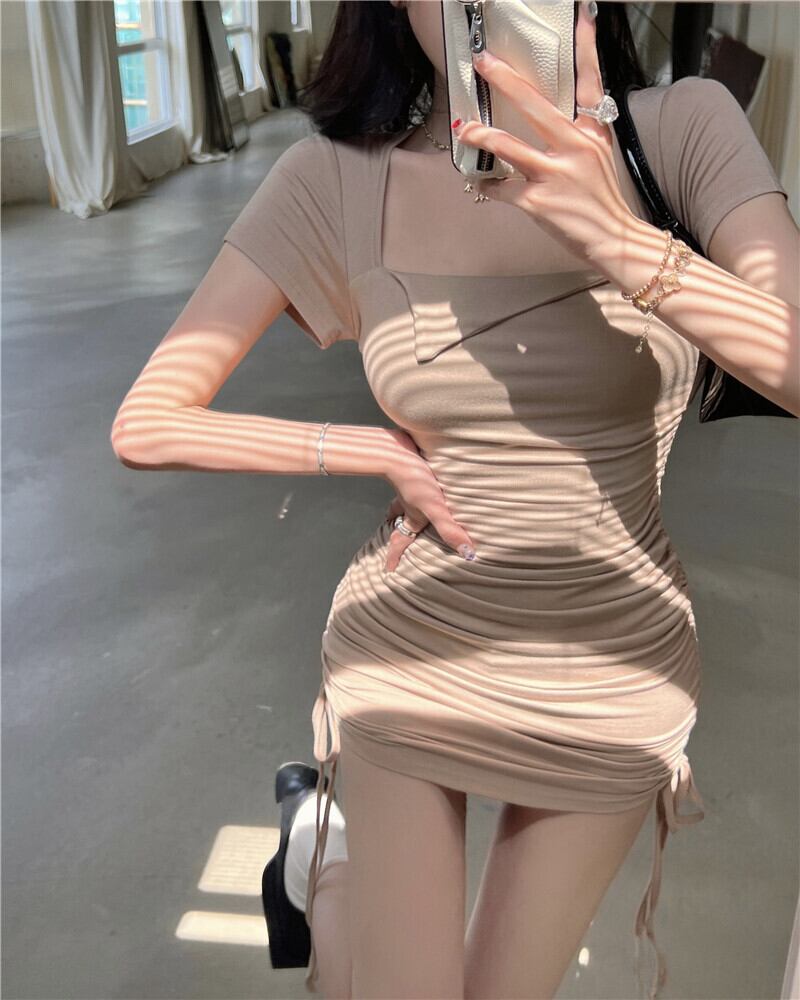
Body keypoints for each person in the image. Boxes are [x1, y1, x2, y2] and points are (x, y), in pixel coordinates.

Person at [110, 2, 799, 998]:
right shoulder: (337, 178)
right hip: (411, 649)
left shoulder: (682, 132)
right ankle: (321, 866)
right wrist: (359, 449)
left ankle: (310, 857)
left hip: (612, 664)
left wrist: (623, 240)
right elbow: (147, 419)